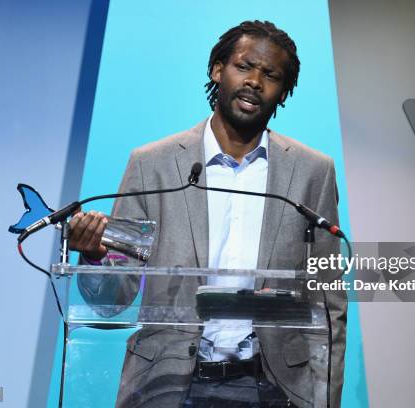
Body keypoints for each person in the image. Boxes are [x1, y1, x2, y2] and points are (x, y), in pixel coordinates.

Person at [69, 20, 346, 408]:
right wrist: (95, 258)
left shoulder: (313, 171)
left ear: (283, 92)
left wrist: (326, 398)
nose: (254, 81)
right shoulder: (153, 164)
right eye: (244, 66)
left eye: (270, 75)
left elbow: (328, 302)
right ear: (218, 69)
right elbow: (115, 298)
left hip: (273, 386)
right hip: (167, 384)